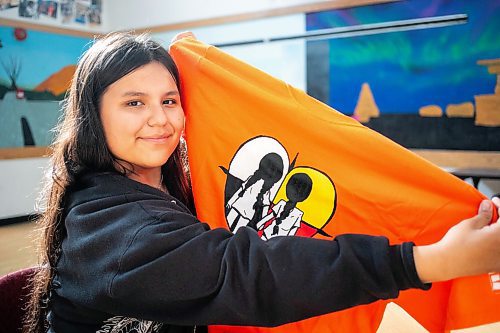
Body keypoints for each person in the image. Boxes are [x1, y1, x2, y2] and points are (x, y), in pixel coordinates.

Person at [23, 31, 500, 333]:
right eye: (134, 103)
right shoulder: (108, 227)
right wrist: (425, 261)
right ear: (92, 115)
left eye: (170, 100)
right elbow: (244, 273)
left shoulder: (175, 190)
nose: (159, 119)